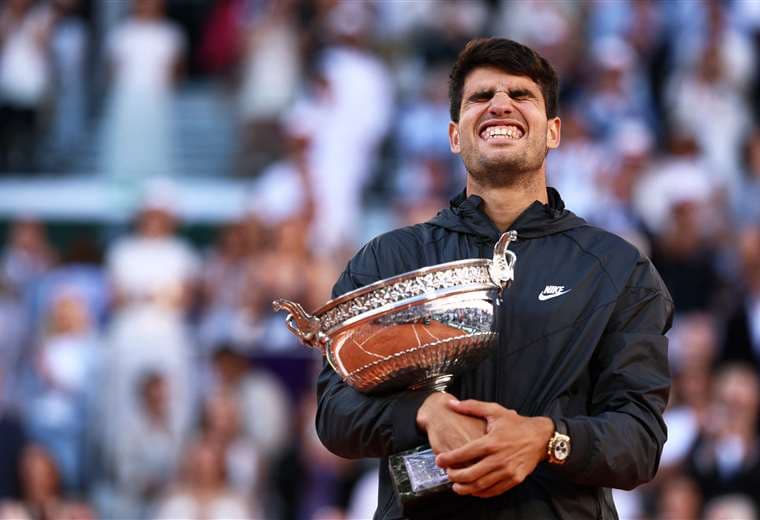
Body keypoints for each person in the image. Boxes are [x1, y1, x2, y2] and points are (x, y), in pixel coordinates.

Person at [315, 38, 673, 519]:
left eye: (521, 95)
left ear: (553, 131)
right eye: (480, 97)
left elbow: (640, 440)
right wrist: (422, 412)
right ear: (454, 135)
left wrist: (548, 438)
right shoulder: (389, 257)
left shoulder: (616, 267)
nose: (500, 104)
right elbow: (334, 413)